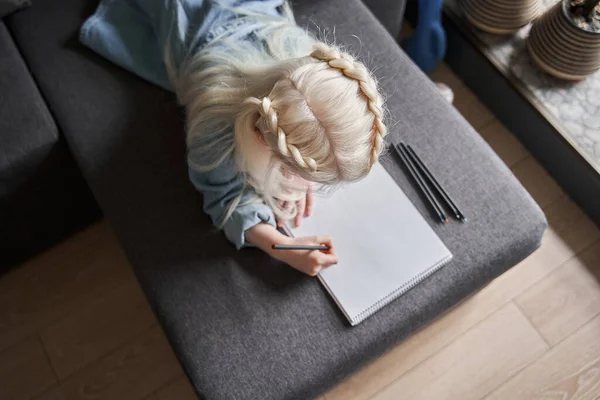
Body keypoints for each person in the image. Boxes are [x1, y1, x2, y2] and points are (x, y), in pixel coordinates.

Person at [80, 0, 388, 276]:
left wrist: (303, 164)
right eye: (300, 171)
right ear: (263, 139)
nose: (305, 181)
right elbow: (224, 198)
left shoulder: (304, 55)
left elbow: (310, 114)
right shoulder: (216, 126)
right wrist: (282, 247)